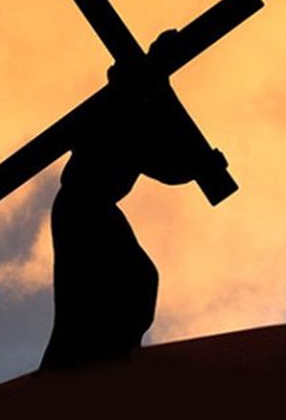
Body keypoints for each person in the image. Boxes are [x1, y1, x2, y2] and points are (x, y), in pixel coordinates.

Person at [39, 31, 228, 371]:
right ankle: (86, 360)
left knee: (137, 278)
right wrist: (201, 164)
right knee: (99, 286)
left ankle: (112, 352)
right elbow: (162, 159)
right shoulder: (115, 112)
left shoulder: (140, 117)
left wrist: (203, 165)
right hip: (81, 207)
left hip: (96, 208)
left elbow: (165, 162)